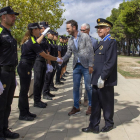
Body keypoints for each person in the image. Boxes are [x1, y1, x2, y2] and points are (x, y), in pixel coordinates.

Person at [18, 23, 63, 121]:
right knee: (24, 91)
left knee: (25, 90)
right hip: (24, 66)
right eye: (39, 29)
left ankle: (26, 111)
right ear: (33, 30)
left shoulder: (33, 40)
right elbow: (45, 55)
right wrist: (57, 59)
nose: (40, 31)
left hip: (27, 66)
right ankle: (23, 113)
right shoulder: (32, 42)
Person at [82, 18, 117, 133]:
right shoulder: (100, 42)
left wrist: (103, 77)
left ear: (108, 29)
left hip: (104, 79)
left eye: (101, 28)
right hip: (96, 78)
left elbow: (110, 62)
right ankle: (93, 125)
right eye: (98, 28)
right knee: (96, 104)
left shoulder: (111, 41)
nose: (99, 30)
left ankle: (109, 124)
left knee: (107, 104)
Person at [62, 20, 94, 116]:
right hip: (76, 66)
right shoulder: (70, 40)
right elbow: (68, 53)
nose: (67, 30)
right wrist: (60, 60)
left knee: (88, 87)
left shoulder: (85, 36)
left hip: (86, 66)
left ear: (74, 27)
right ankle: (76, 107)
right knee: (76, 87)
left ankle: (91, 106)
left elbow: (91, 51)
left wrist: (91, 65)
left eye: (68, 28)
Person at [0, 6, 20, 140]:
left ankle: (4, 129)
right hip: (2, 74)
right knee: (0, 106)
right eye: (11, 15)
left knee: (7, 105)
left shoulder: (9, 32)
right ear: (3, 17)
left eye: (14, 15)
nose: (14, 18)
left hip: (11, 74)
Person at [79, 23, 98, 108]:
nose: (82, 32)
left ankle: (86, 99)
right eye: (81, 30)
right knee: (78, 83)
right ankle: (78, 99)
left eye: (83, 30)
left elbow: (95, 55)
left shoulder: (93, 41)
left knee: (87, 84)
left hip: (88, 66)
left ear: (88, 30)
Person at [33, 21, 49, 108]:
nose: (46, 30)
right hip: (37, 61)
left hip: (43, 61)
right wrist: (43, 34)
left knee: (42, 81)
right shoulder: (36, 36)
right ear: (41, 28)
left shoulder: (45, 38)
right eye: (45, 28)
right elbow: (36, 43)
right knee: (37, 81)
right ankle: (36, 101)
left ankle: (39, 99)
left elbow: (46, 50)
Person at [43, 30, 57, 100]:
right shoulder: (47, 41)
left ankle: (48, 91)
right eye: (52, 34)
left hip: (52, 61)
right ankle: (45, 93)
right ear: (48, 34)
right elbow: (47, 53)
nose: (53, 35)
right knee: (47, 78)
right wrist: (49, 64)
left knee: (50, 78)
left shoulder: (51, 42)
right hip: (49, 62)